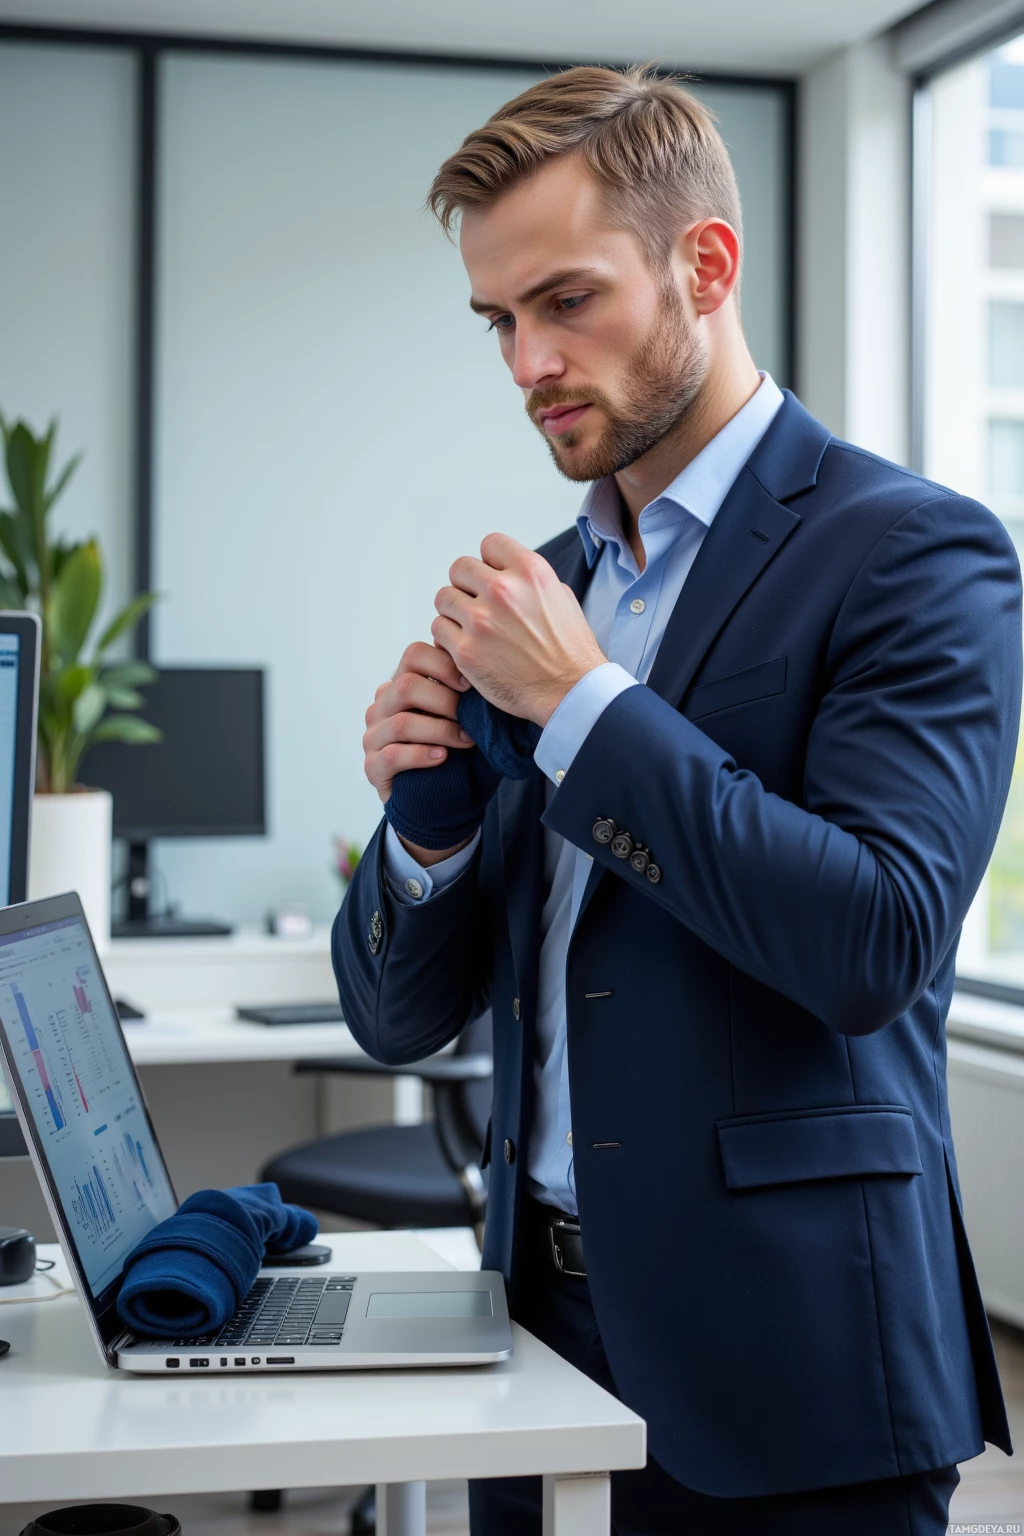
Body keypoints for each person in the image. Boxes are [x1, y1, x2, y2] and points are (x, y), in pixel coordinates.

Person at [333, 65, 1020, 1535]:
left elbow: (876, 943)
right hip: (535, 1347)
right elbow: (398, 1024)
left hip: (793, 1368)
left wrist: (585, 708)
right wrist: (428, 829)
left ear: (703, 266)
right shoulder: (556, 590)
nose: (527, 361)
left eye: (566, 302)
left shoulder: (914, 552)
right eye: (500, 321)